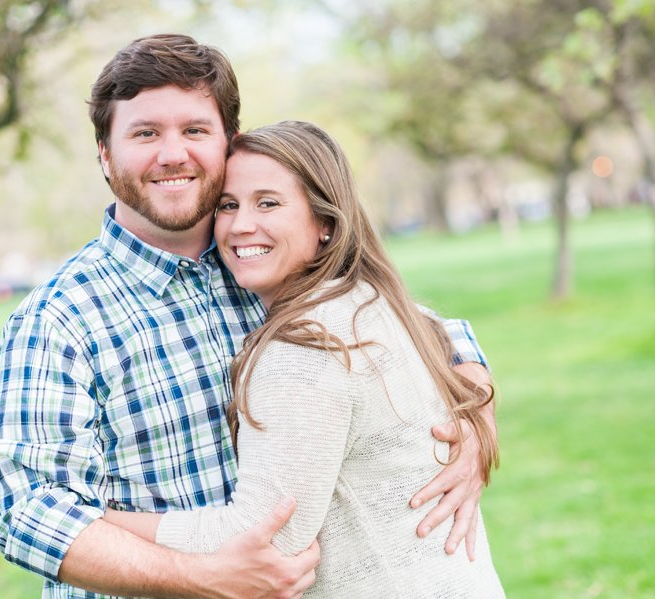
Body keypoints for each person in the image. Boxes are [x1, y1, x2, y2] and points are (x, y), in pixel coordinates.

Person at [0, 34, 497, 599]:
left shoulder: (264, 261)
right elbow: (30, 515)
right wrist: (202, 579)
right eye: (145, 133)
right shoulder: (58, 319)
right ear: (106, 155)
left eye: (195, 130)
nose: (172, 153)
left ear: (228, 143)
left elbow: (428, 330)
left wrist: (475, 416)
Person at [103, 121, 505, 597]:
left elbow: (268, 533)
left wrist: (104, 524)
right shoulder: (373, 301)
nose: (241, 224)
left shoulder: (305, 350)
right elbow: (445, 332)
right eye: (228, 205)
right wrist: (478, 397)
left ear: (326, 224)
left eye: (268, 203)